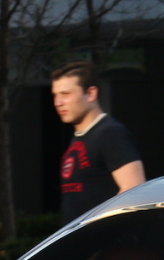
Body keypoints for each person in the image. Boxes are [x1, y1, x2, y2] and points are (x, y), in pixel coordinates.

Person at [52, 60, 145, 221]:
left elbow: (134, 189)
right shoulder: (80, 137)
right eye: (55, 95)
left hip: (107, 242)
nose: (58, 103)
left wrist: (101, 233)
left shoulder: (110, 133)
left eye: (66, 94)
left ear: (91, 94)